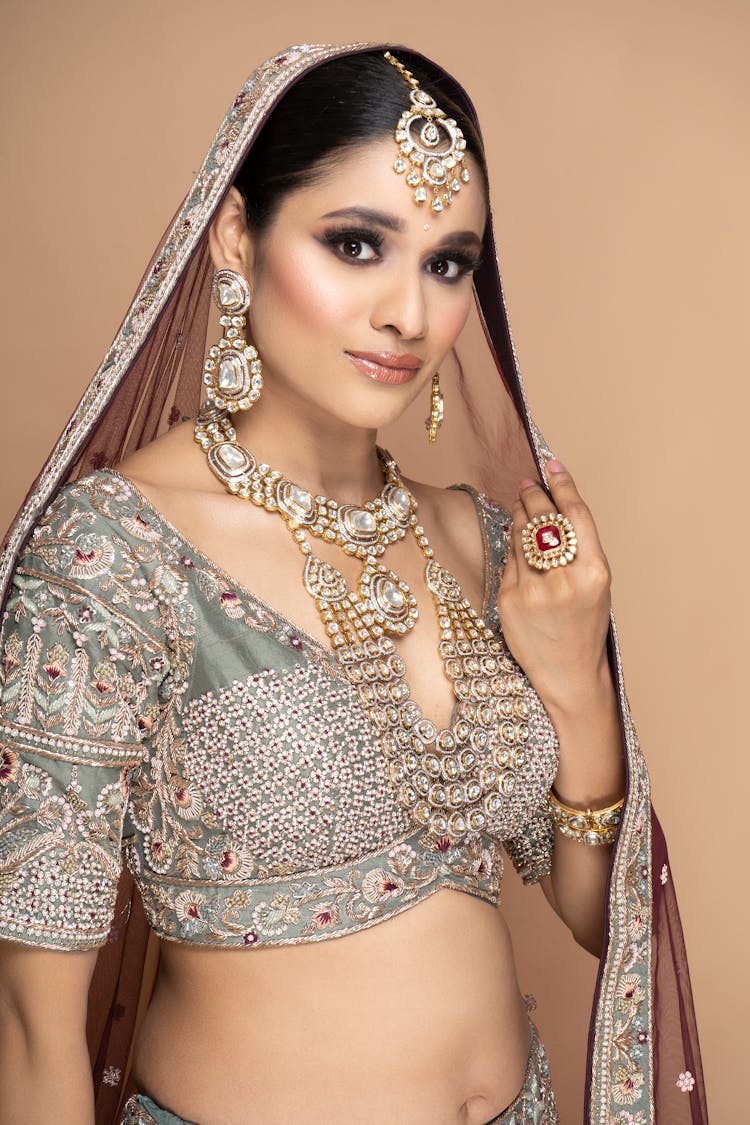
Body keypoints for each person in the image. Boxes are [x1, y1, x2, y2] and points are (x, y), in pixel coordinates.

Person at [0, 44, 706, 1125]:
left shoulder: (477, 537)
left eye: (448, 263)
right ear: (239, 236)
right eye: (357, 243)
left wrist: (572, 679)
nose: (408, 316)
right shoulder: (114, 558)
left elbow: (598, 916)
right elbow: (32, 1022)